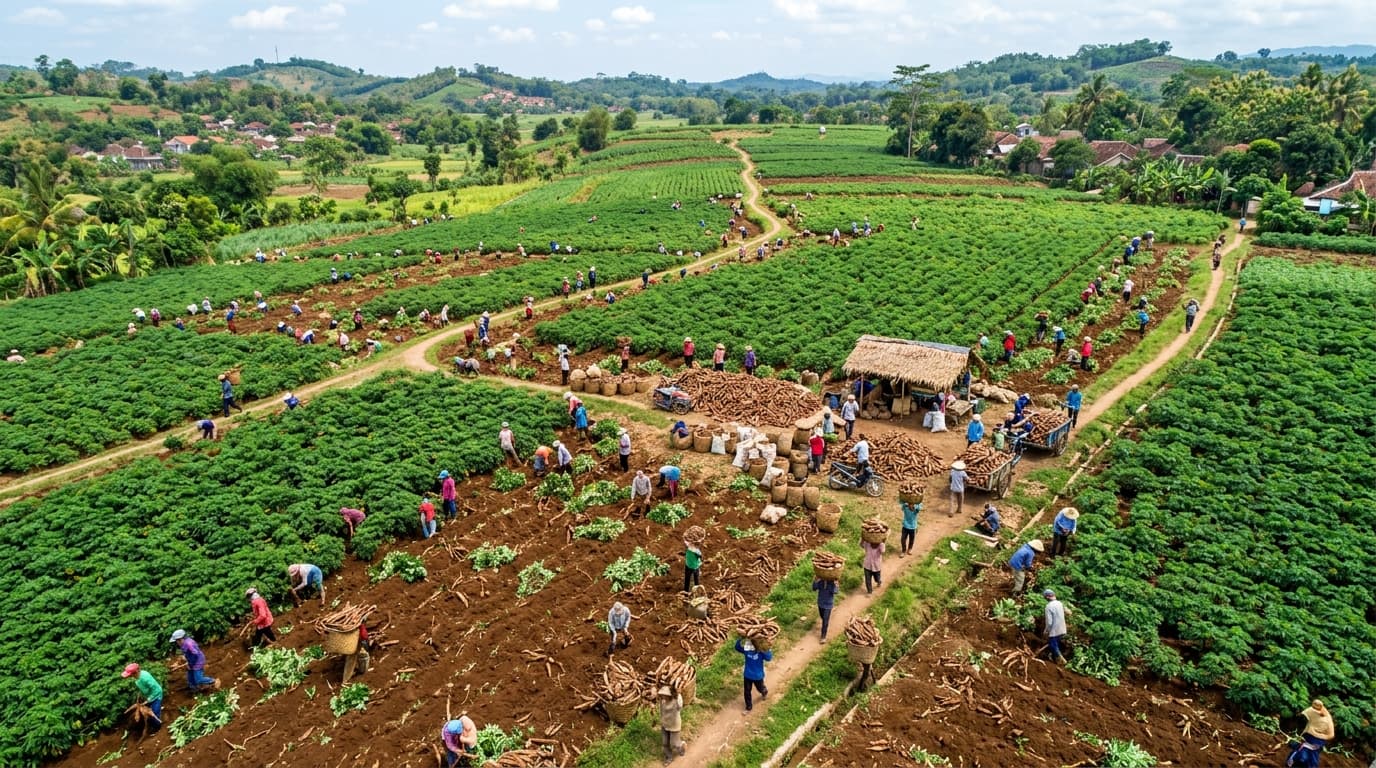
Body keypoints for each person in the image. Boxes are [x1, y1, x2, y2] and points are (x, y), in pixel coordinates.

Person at [1286, 700, 1335, 768]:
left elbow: (1331, 735)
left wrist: (1318, 735)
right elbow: (1300, 718)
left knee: (1312, 761)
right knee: (1301, 757)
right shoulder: (1311, 711)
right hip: (1307, 738)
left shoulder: (1328, 720)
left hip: (1317, 742)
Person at [121, 663, 164, 732]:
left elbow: (155, 690)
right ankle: (150, 720)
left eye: (130, 675)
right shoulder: (137, 678)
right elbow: (142, 687)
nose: (130, 677)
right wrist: (140, 696)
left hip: (156, 695)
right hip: (148, 695)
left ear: (135, 673)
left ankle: (157, 727)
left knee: (155, 712)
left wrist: (148, 700)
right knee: (148, 708)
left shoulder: (145, 678)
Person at [734, 636, 772, 711]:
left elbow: (769, 658)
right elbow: (737, 647)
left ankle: (764, 692)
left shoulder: (761, 652)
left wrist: (767, 648)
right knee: (747, 691)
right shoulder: (747, 651)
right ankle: (749, 706)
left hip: (758, 676)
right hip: (747, 675)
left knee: (760, 688)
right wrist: (741, 638)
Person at [658, 685, 686, 762]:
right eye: (662, 694)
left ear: (669, 695)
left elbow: (680, 706)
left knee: (675, 744)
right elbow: (661, 711)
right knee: (665, 743)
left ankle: (681, 746)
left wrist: (678, 694)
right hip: (665, 724)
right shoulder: (662, 701)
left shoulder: (676, 701)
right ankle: (669, 757)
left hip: (674, 725)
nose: (663, 696)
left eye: (665, 695)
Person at [1043, 589, 1068, 663]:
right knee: (1056, 643)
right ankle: (1054, 658)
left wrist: (1046, 631)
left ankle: (1061, 660)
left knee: (1052, 644)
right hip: (1062, 628)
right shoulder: (1059, 603)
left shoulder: (1048, 607)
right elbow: (1067, 612)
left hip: (1055, 630)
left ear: (1047, 597)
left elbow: (1049, 622)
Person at [812, 576, 837, 643]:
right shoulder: (821, 581)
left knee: (825, 620)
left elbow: (835, 591)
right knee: (822, 617)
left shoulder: (832, 583)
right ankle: (825, 625)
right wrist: (815, 580)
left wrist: (836, 584)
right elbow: (814, 588)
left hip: (828, 605)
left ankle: (823, 637)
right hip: (820, 603)